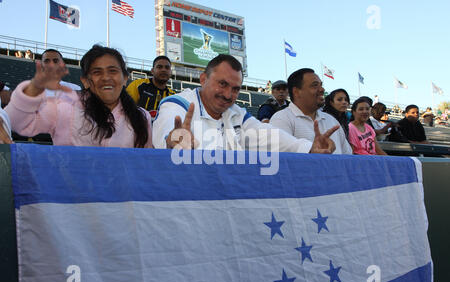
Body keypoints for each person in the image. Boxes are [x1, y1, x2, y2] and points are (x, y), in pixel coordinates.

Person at [152, 54, 338, 154]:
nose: (228, 95)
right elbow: (167, 134)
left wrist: (309, 147)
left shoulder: (236, 113)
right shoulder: (177, 104)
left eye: (235, 89)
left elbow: (270, 136)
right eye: (222, 84)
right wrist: (173, 141)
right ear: (203, 79)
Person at [5, 45, 152, 148]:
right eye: (97, 72)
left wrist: (171, 146)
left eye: (112, 71)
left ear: (125, 78)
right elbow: (19, 122)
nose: (106, 78)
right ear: (85, 81)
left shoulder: (141, 116)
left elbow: (147, 162)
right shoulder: (63, 107)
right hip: (71, 191)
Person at [270, 69, 352, 155]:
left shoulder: (332, 121)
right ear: (296, 92)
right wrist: (310, 150)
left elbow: (348, 158)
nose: (322, 89)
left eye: (321, 85)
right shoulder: (281, 119)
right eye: (315, 85)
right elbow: (281, 159)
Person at [126, 55, 176, 120]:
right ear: (152, 71)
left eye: (167, 68)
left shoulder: (173, 96)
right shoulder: (137, 85)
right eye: (159, 67)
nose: (163, 70)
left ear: (170, 72)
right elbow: (125, 110)